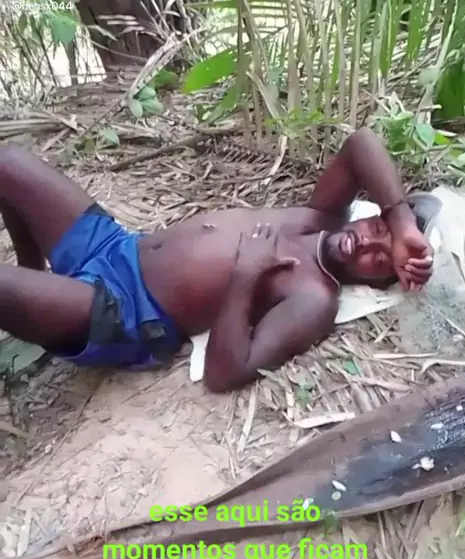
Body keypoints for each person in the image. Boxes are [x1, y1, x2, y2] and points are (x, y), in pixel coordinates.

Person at [0, 129, 433, 392]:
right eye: (378, 231)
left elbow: (225, 374)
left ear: (377, 285)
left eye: (379, 262)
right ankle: (34, 282)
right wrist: (400, 221)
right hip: (116, 246)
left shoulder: (315, 297)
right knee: (8, 163)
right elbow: (360, 143)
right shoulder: (323, 214)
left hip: (123, 309)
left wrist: (247, 275)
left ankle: (32, 298)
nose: (365, 245)